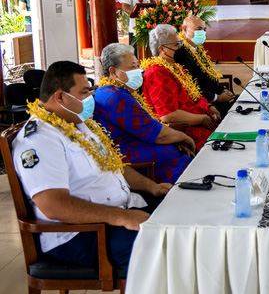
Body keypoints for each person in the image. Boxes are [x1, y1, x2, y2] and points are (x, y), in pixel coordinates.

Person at [12, 61, 171, 269]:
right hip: (81, 234)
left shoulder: (76, 123)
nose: (90, 98)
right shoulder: (39, 139)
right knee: (171, 249)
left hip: (118, 211)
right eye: (84, 92)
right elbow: (53, 205)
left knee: (181, 218)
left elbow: (112, 165)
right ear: (60, 97)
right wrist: (122, 217)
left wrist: (152, 187)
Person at [95, 43, 196, 184]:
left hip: (138, 144)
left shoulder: (112, 91)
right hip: (130, 157)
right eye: (132, 67)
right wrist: (184, 138)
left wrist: (175, 139)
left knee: (178, 150)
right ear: (113, 72)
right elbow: (154, 133)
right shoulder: (116, 97)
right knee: (181, 156)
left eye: (138, 65)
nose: (138, 71)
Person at [142, 24, 219, 150]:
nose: (180, 48)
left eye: (180, 44)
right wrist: (201, 119)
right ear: (162, 49)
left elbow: (193, 95)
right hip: (189, 131)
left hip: (203, 122)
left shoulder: (175, 67)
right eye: (176, 45)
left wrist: (209, 106)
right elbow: (168, 115)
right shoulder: (157, 73)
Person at [173, 16, 236, 118]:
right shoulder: (182, 53)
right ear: (185, 29)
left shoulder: (198, 50)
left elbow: (209, 79)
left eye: (204, 29)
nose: (203, 32)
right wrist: (216, 98)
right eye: (198, 29)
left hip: (212, 97)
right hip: (201, 103)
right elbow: (190, 86)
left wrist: (224, 91)